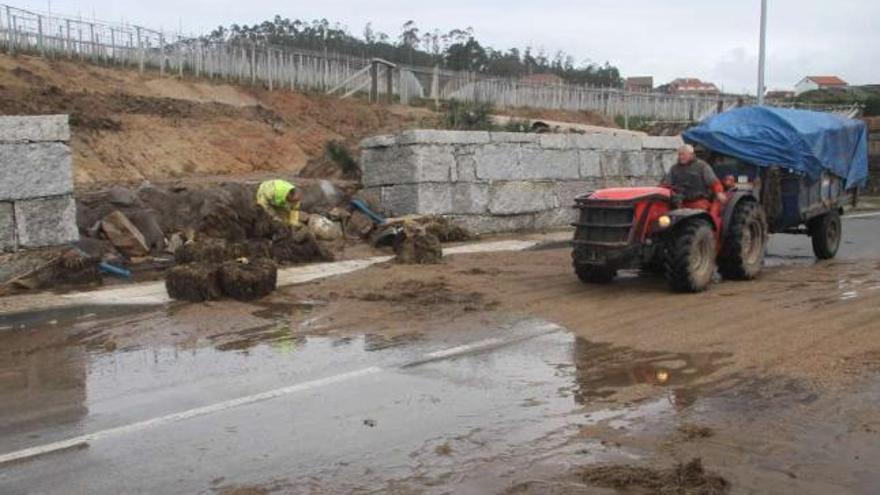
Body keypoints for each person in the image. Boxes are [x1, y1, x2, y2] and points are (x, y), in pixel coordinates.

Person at [661, 144, 727, 208]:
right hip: (679, 203)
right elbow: (666, 185)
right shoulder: (674, 169)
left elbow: (714, 182)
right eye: (679, 154)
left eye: (683, 154)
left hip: (698, 202)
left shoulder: (702, 166)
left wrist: (719, 193)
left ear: (691, 154)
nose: (681, 157)